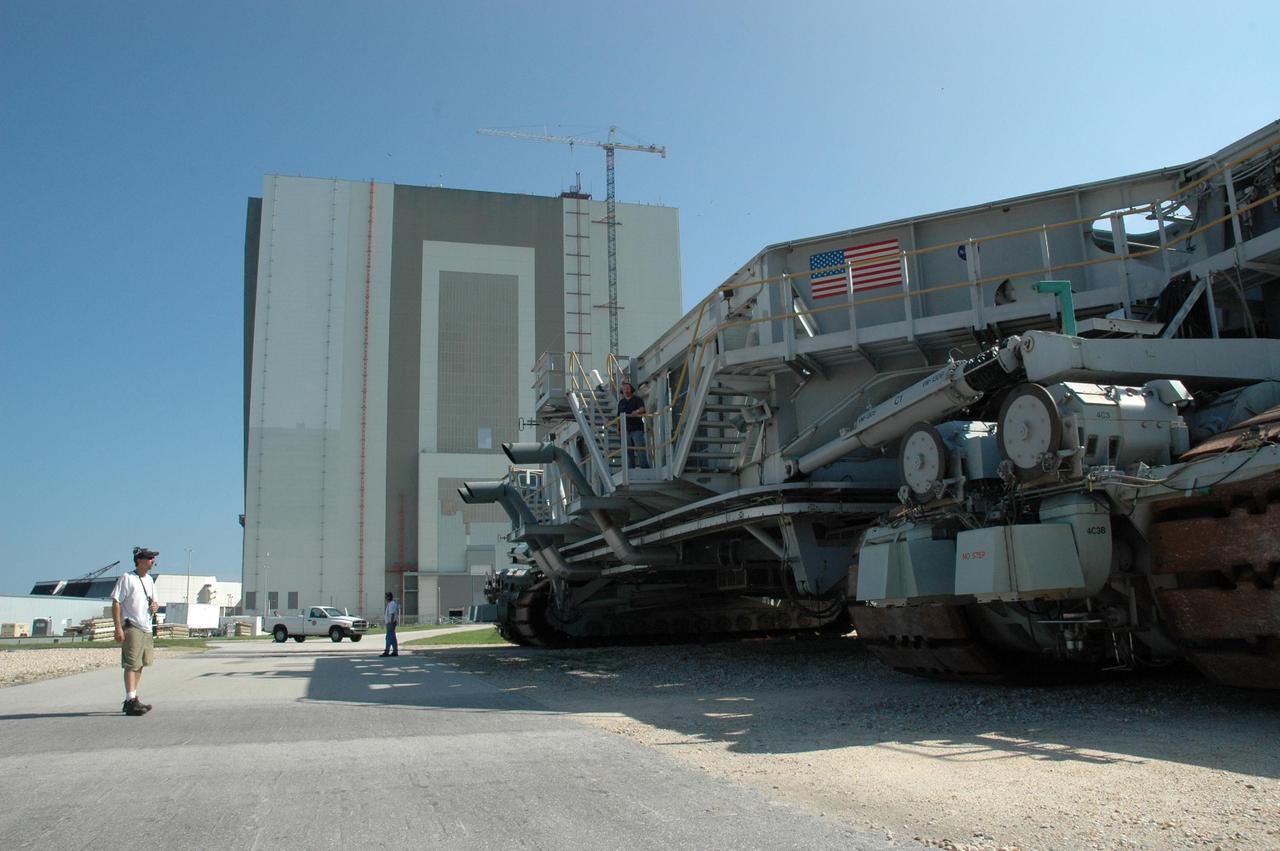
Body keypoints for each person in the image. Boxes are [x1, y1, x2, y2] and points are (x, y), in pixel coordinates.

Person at [111, 546, 160, 716]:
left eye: (153, 558)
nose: (153, 561)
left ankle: (132, 698)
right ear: (140, 561)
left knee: (140, 664)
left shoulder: (150, 580)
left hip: (146, 628)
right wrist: (118, 628)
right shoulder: (127, 578)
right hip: (132, 626)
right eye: (150, 558)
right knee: (132, 663)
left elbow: (154, 602)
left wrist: (155, 606)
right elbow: (116, 602)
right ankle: (130, 700)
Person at [616, 381, 649, 469]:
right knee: (628, 451)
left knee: (640, 448)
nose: (626, 390)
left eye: (627, 388)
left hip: (637, 429)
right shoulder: (621, 403)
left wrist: (637, 411)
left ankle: (644, 467)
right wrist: (618, 429)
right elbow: (618, 416)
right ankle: (630, 468)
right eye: (624, 389)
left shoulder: (637, 399)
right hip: (625, 430)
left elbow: (642, 408)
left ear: (631, 390)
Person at [381, 591, 399, 657]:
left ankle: (386, 651)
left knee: (388, 638)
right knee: (393, 638)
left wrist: (391, 624)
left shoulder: (391, 604)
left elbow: (392, 614)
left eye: (386, 597)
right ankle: (395, 651)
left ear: (388, 597)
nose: (385, 598)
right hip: (390, 623)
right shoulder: (390, 604)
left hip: (390, 623)